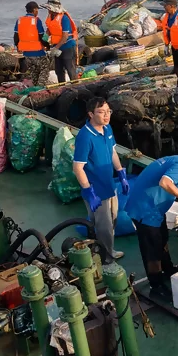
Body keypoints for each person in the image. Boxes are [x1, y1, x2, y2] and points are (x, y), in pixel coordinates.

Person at [124, 139, 178, 301]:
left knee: (163, 238)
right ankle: (156, 285)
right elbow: (165, 182)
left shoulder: (177, 159)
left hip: (154, 209)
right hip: (146, 211)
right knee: (152, 249)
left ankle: (168, 269)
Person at [73, 97, 130, 262]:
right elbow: (77, 168)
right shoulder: (85, 136)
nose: (106, 115)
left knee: (113, 219)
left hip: (109, 185)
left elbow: (112, 152)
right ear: (91, 114)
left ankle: (108, 249)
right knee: (103, 225)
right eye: (101, 112)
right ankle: (106, 258)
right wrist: (89, 191)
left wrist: (121, 173)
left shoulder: (107, 128)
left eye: (108, 111)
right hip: (96, 189)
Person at [14, 1, 52, 86]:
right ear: (34, 10)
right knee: (45, 68)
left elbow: (16, 36)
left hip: (26, 53)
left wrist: (17, 46)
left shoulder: (19, 20)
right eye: (37, 10)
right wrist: (47, 46)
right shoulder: (36, 21)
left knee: (34, 71)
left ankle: (35, 86)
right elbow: (41, 37)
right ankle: (40, 88)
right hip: (38, 52)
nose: (37, 12)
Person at [44, 0, 78, 83]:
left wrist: (56, 48)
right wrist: (43, 40)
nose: (48, 10)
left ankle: (76, 85)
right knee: (58, 71)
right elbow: (49, 30)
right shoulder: (50, 16)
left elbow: (65, 36)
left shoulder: (64, 18)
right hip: (57, 47)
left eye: (49, 8)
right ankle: (62, 87)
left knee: (70, 69)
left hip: (67, 47)